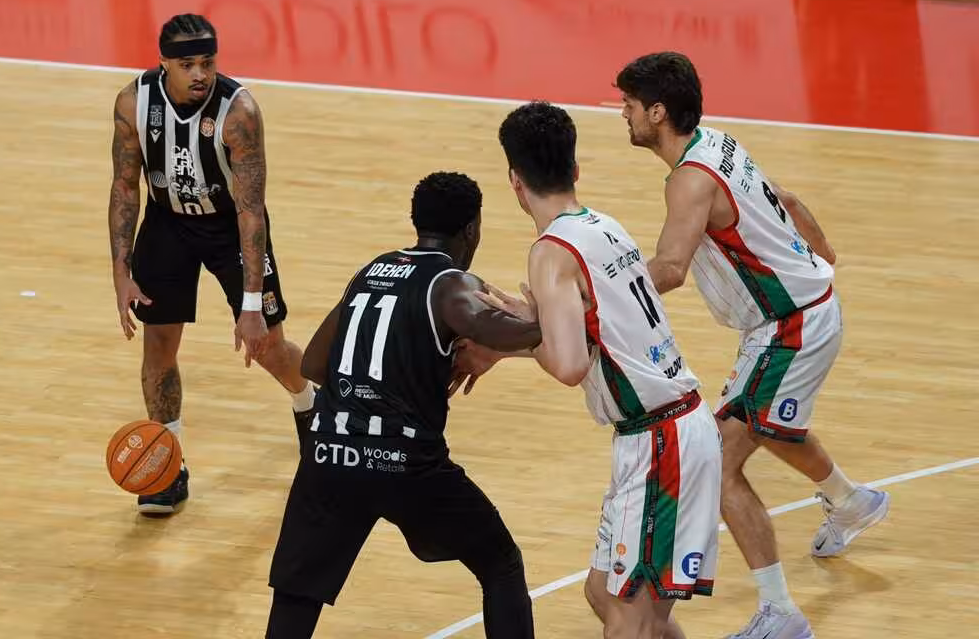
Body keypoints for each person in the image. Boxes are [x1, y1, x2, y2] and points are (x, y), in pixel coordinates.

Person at [615, 50, 890, 638]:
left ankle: (780, 614)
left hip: (790, 328)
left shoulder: (691, 179)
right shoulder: (719, 143)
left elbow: (667, 269)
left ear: (657, 112)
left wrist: (598, 287)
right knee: (768, 425)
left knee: (716, 463)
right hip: (801, 314)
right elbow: (786, 200)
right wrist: (824, 255)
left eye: (630, 105)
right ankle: (850, 501)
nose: (624, 114)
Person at [455, 101, 722, 639]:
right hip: (672, 431)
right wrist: (538, 324)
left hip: (659, 442)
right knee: (605, 595)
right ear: (575, 169)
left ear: (513, 179)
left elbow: (571, 364)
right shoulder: (605, 227)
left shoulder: (551, 252)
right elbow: (602, 325)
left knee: (628, 616)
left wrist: (507, 346)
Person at [264, 172, 539, 639]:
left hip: (330, 452)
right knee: (499, 564)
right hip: (405, 461)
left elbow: (312, 362)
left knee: (297, 592)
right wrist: (551, 315)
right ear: (471, 229)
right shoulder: (451, 283)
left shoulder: (370, 271)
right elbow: (497, 328)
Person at [109, 13, 314, 515]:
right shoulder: (134, 102)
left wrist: (249, 304)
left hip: (229, 227)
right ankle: (167, 465)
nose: (199, 73)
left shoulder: (238, 111)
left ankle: (311, 401)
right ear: (163, 64)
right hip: (166, 223)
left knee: (267, 343)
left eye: (207, 62)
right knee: (159, 343)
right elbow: (123, 185)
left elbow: (250, 211)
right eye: (187, 64)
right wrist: (121, 271)